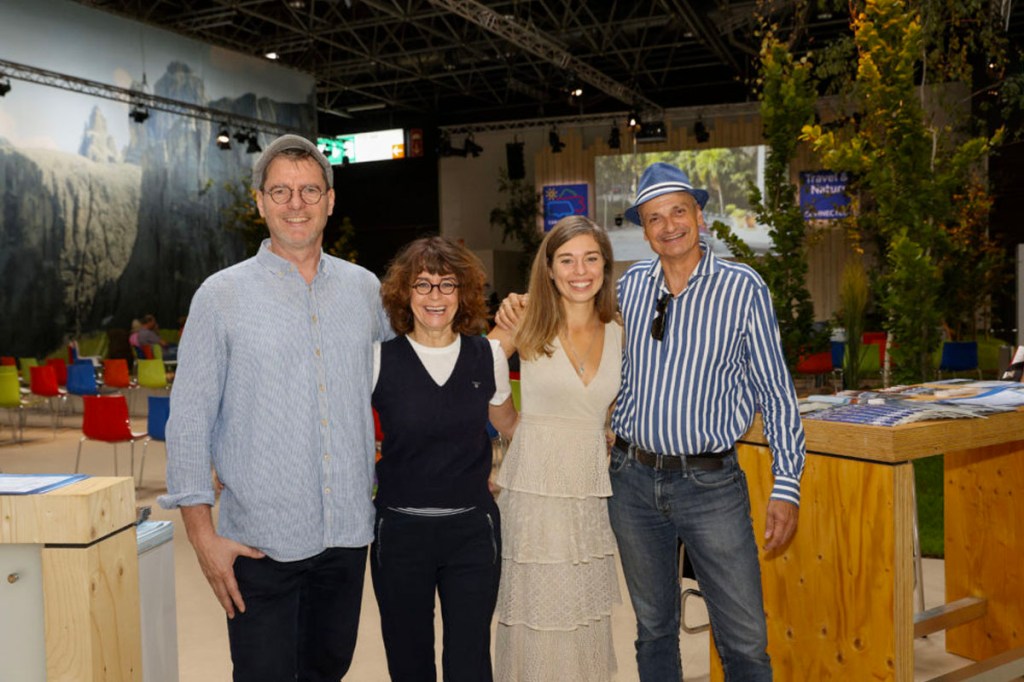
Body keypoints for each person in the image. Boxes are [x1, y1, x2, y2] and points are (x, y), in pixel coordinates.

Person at [497, 162, 806, 681]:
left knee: (744, 636)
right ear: (644, 227)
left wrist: (787, 484)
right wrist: (522, 303)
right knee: (654, 629)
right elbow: (571, 319)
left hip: (711, 483)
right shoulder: (630, 290)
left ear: (700, 216)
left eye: (678, 212)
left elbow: (777, 393)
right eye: (654, 217)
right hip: (632, 482)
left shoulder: (743, 288)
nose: (668, 225)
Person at [158, 134, 393, 682]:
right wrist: (202, 537)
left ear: (330, 201)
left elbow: (416, 372)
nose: (296, 204)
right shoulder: (221, 296)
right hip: (257, 544)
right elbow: (189, 420)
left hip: (347, 536)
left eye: (310, 190)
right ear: (260, 201)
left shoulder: (365, 292)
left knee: (329, 669)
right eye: (281, 191)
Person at [371, 236, 517, 682]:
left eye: (447, 285)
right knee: (409, 661)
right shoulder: (377, 360)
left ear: (463, 294)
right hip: (400, 534)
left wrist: (586, 437)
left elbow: (512, 427)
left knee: (469, 662)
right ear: (404, 294)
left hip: (471, 534)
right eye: (423, 285)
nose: (435, 296)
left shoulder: (487, 355)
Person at [488, 216, 622, 681]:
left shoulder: (620, 331)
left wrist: (606, 428)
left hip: (588, 490)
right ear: (548, 268)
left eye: (590, 258)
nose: (579, 270)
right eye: (566, 259)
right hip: (535, 490)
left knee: (582, 610)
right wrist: (510, 423)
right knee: (537, 613)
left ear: (605, 266)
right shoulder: (525, 317)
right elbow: (479, 369)